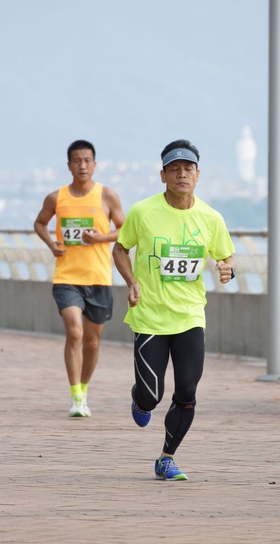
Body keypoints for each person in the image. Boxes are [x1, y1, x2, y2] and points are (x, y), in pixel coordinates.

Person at [112, 139, 236, 481]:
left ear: (198, 175)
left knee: (187, 392)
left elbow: (225, 255)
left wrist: (227, 268)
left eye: (188, 168)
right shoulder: (143, 212)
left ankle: (166, 458)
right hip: (150, 316)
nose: (182, 174)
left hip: (190, 316)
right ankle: (140, 400)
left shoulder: (211, 218)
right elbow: (120, 249)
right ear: (163, 175)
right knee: (151, 396)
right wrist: (132, 281)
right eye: (174, 169)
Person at [34, 140, 125, 417]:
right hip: (67, 277)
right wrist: (51, 244)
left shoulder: (107, 196)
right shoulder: (56, 198)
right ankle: (75, 397)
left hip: (98, 278)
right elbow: (40, 223)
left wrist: (102, 237)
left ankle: (83, 390)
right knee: (74, 332)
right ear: (69, 165)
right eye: (77, 160)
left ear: (94, 165)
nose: (82, 165)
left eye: (87, 160)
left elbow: (125, 230)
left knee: (92, 343)